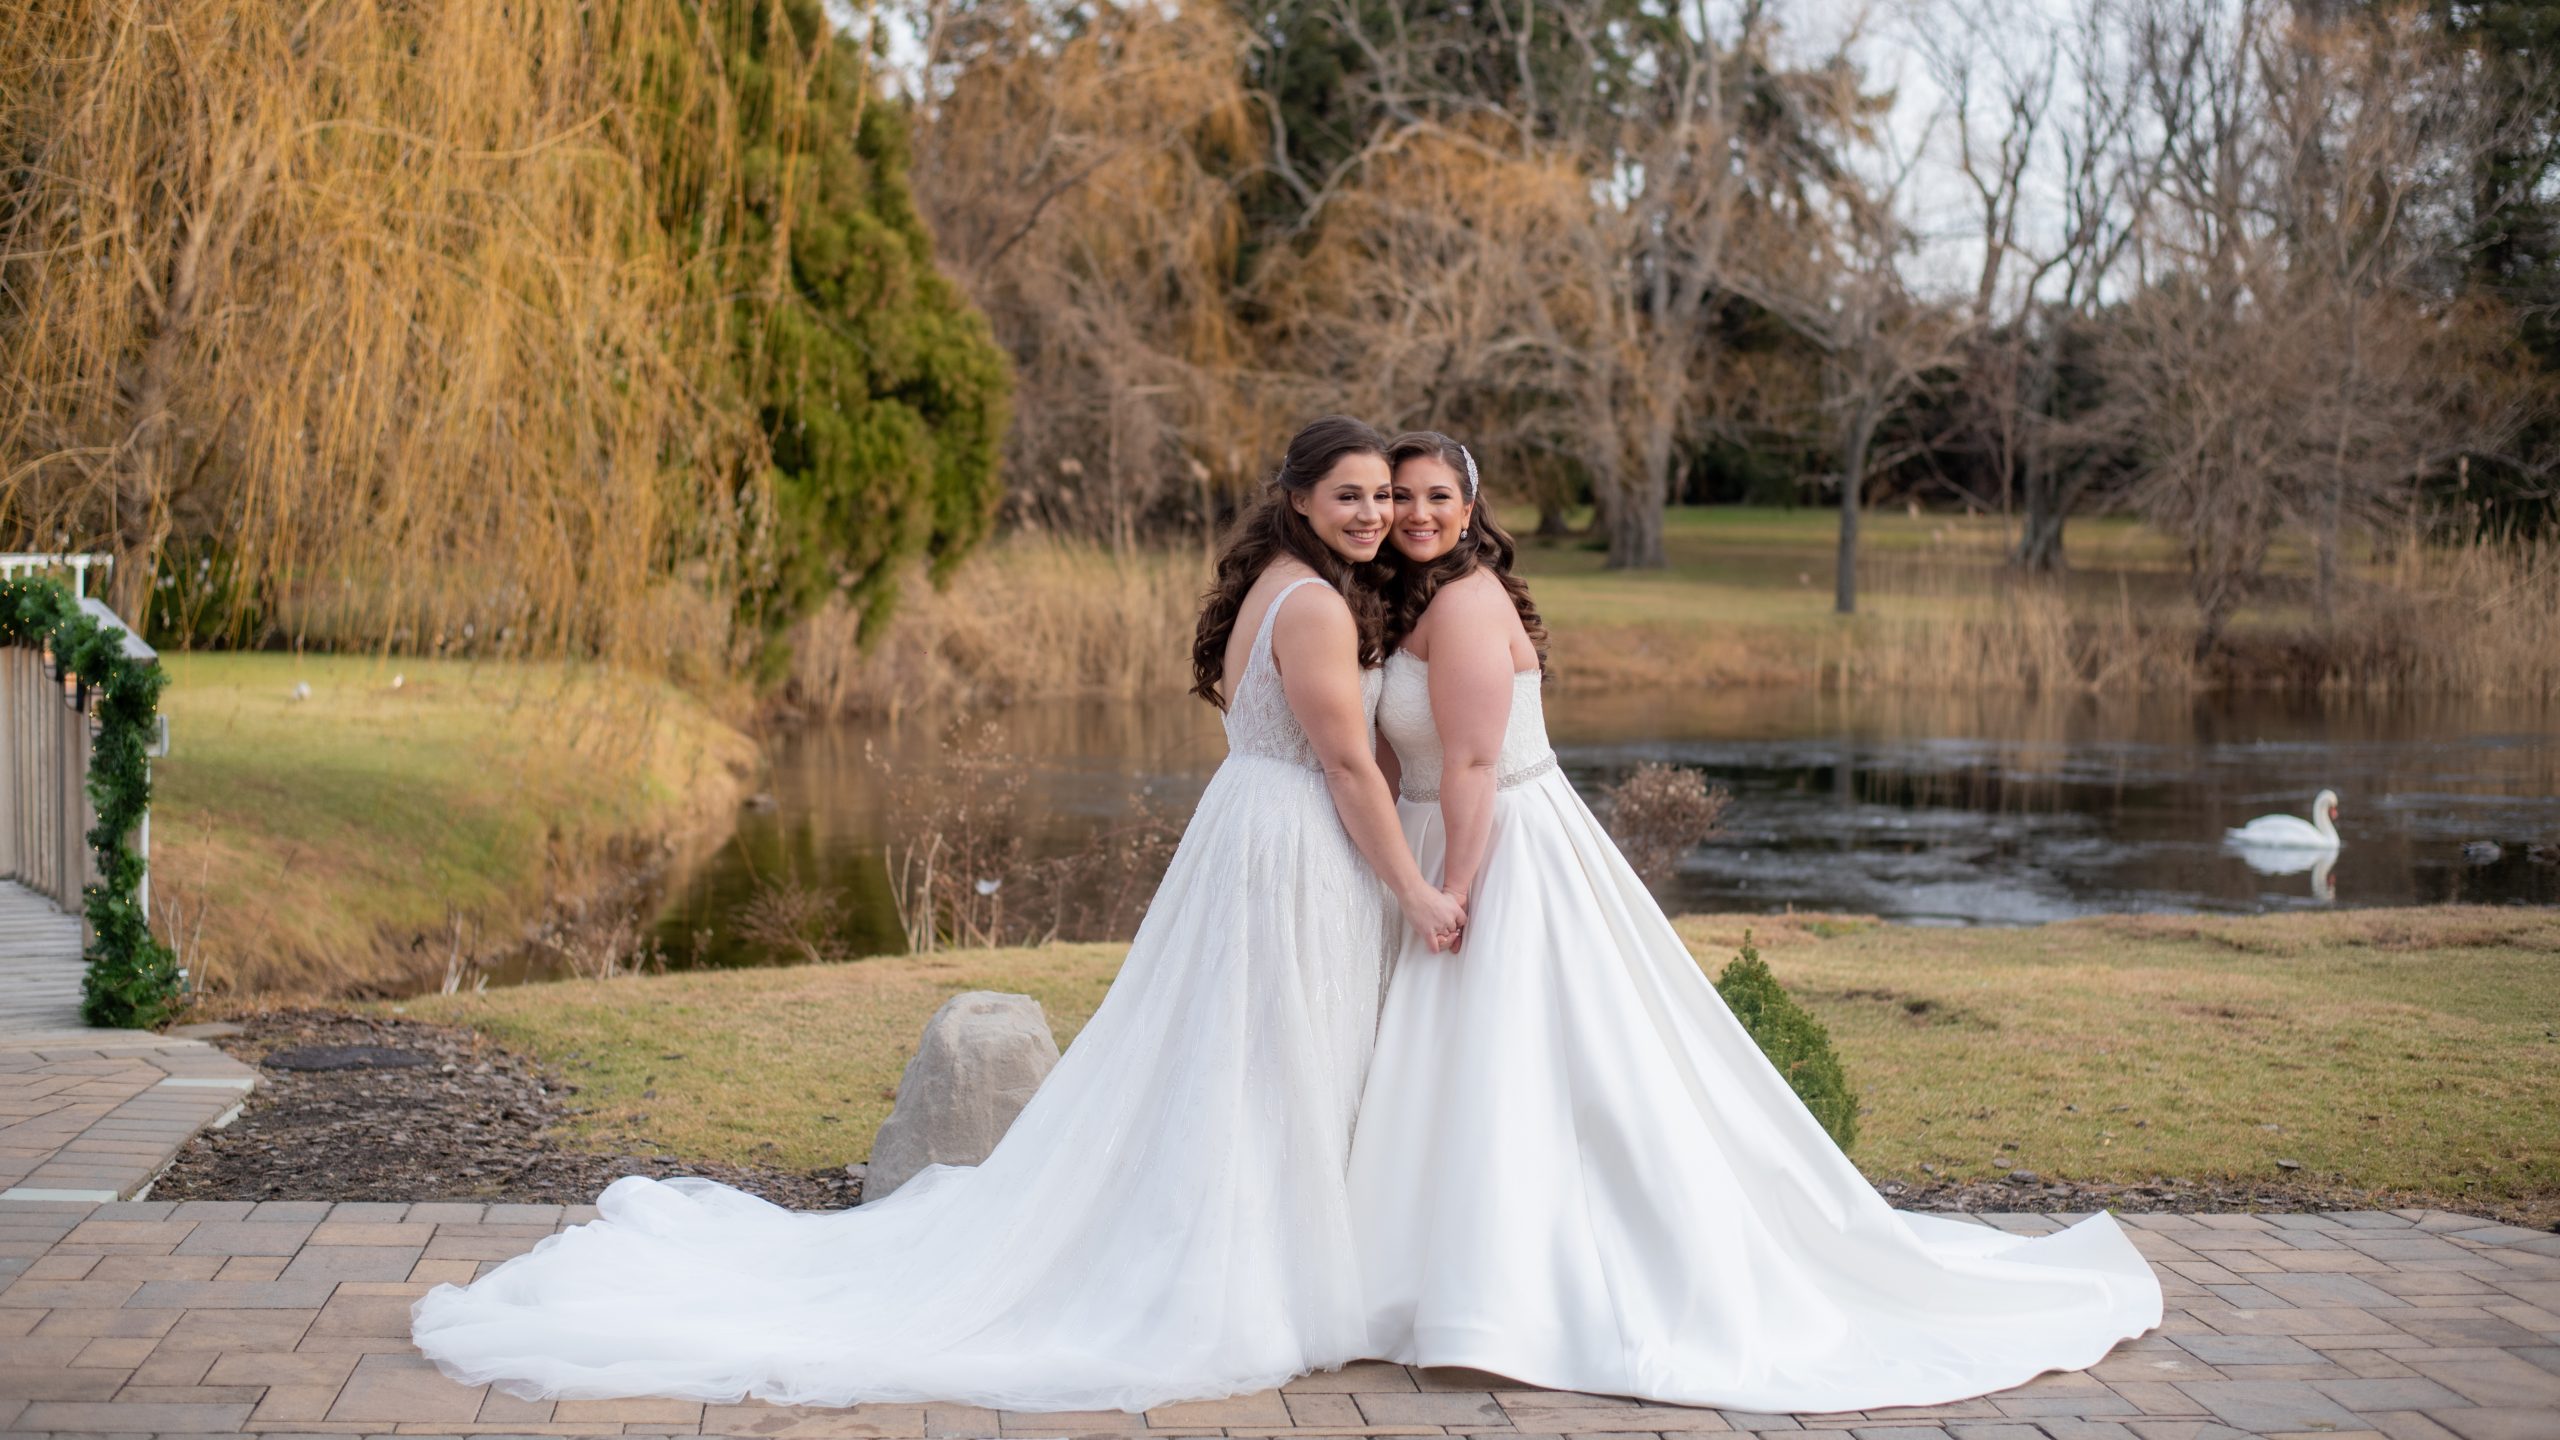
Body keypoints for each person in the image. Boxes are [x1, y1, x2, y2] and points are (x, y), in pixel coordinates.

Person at [409, 415, 1464, 1414]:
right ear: (1295, 499)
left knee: (1242, 1055)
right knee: (1271, 1054)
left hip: (1250, 831)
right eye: (1349, 495)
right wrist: (1415, 886)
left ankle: (1261, 1251)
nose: (1373, 513)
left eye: (1381, 496)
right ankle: (1255, 1271)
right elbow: (1339, 762)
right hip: (1288, 845)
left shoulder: (1277, 587)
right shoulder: (1318, 605)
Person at [1346, 430, 2162, 1412]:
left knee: (1521, 1060)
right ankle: (1427, 1273)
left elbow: (1474, 763)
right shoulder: (1410, 602)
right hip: (1442, 841)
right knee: (1460, 1066)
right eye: (1401, 494)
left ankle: (1516, 1289)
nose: (1418, 511)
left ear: (1472, 511)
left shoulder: (1468, 605)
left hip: (1500, 851)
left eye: (1439, 495)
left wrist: (1456, 889)